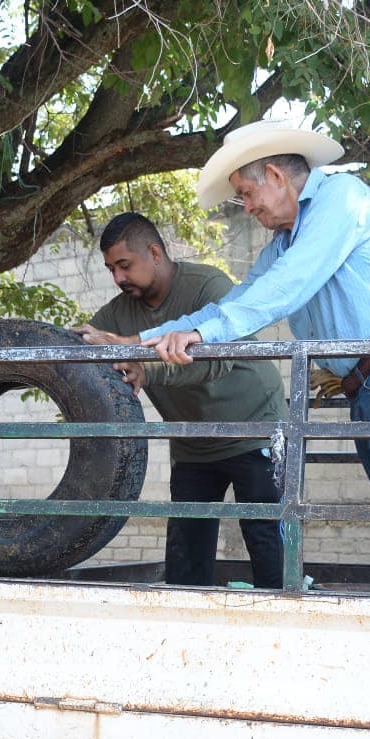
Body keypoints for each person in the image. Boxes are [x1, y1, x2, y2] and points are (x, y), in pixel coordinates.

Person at [138, 120, 370, 598]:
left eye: (246, 192)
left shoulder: (340, 198)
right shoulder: (286, 241)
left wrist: (200, 333)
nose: (246, 206)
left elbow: (285, 288)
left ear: (276, 177)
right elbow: (239, 299)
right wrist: (141, 338)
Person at [78, 212, 286, 589]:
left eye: (125, 266)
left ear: (155, 253)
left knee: (268, 544)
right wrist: (74, 342)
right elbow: (83, 351)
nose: (118, 279)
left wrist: (146, 370)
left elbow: (215, 363)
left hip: (255, 429)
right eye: (111, 269)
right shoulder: (119, 312)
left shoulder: (208, 284)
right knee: (186, 560)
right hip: (193, 445)